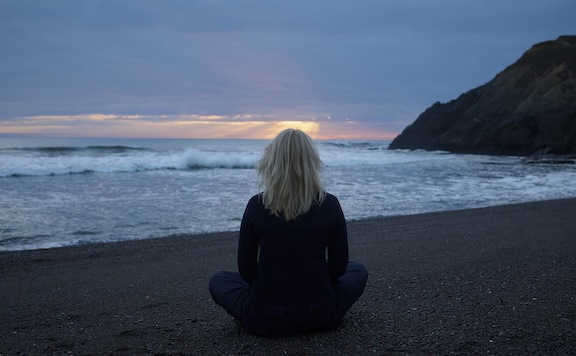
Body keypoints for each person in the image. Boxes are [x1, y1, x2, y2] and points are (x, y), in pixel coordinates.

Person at [209, 128, 368, 336]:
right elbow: (338, 268)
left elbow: (246, 269)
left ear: (271, 161)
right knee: (358, 270)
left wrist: (272, 284)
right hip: (321, 315)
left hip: (266, 319)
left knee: (219, 280)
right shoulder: (330, 204)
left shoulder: (257, 205)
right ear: (312, 161)